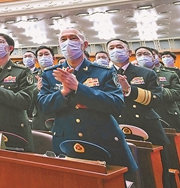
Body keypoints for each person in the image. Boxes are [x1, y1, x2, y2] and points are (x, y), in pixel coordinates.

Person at [37, 28, 136, 171]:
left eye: (73, 38)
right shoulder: (50, 74)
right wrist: (64, 92)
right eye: (63, 39)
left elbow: (116, 105)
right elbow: (43, 107)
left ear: (84, 45)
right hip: (66, 139)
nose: (68, 42)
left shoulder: (104, 72)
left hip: (101, 138)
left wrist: (78, 88)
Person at [107, 39, 169, 148]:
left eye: (120, 47)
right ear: (108, 54)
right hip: (115, 123)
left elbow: (157, 99)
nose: (115, 50)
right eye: (111, 48)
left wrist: (129, 90)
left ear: (129, 52)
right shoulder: (103, 74)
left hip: (144, 123)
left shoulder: (146, 73)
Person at [30, 46, 55, 131]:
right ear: (36, 60)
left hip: (57, 116)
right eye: (40, 55)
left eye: (46, 54)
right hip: (39, 118)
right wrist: (37, 90)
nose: (43, 57)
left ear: (53, 58)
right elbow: (28, 99)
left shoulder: (61, 74)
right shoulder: (32, 76)